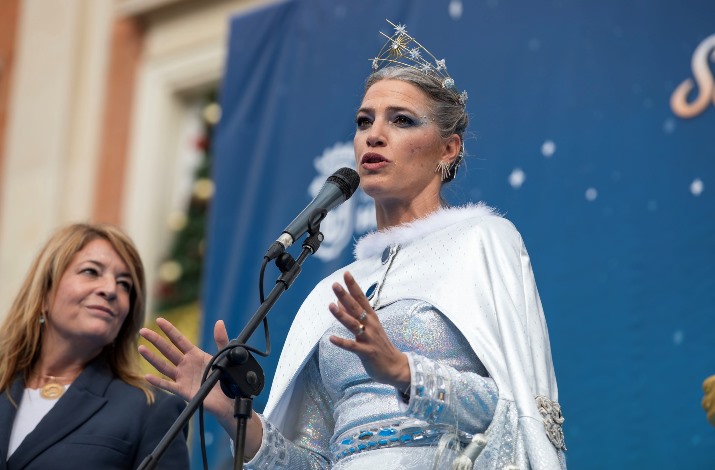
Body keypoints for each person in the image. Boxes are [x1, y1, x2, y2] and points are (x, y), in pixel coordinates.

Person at [139, 20, 567, 469]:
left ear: (448, 149)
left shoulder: (482, 242)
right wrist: (229, 413)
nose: (374, 134)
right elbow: (313, 461)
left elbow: (510, 411)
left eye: (401, 120)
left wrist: (405, 371)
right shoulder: (334, 291)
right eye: (365, 121)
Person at [0, 223, 190, 469]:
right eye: (91, 271)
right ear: (45, 293)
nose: (110, 290)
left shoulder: (151, 409)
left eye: (125, 284)